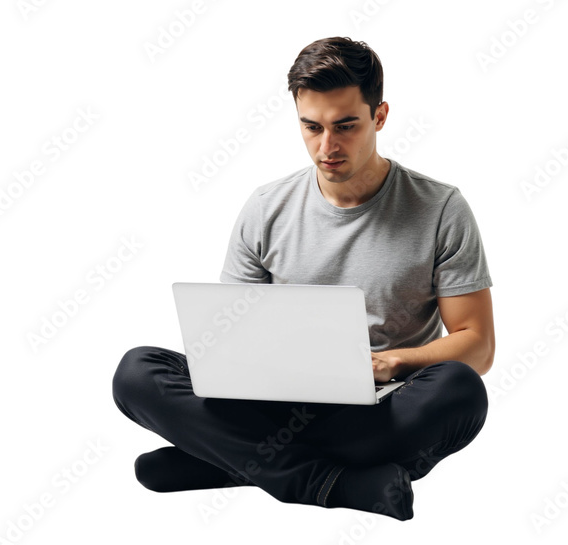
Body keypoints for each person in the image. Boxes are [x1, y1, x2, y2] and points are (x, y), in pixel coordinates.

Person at [112, 36, 494, 521]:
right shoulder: (267, 208)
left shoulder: (441, 209)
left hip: (380, 405)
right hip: (273, 403)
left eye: (346, 126)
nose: (326, 146)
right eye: (311, 127)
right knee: (137, 371)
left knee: (461, 390)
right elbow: (229, 342)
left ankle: (230, 461)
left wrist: (392, 362)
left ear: (379, 117)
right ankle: (323, 480)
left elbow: (478, 346)